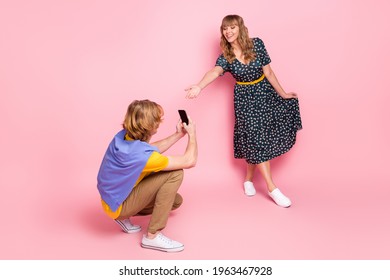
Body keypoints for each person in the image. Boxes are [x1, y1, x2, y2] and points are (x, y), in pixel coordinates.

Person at [185, 15, 302, 207]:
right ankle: (273, 189)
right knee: (255, 138)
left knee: (258, 139)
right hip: (244, 99)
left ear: (240, 28)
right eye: (225, 28)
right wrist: (199, 86)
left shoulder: (257, 44)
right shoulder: (226, 56)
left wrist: (283, 93)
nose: (228, 31)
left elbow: (269, 72)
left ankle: (248, 178)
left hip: (265, 94)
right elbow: (214, 72)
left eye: (232, 27)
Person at [97, 99, 197, 252]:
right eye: (157, 121)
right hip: (119, 206)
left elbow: (149, 149)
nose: (159, 123)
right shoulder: (143, 157)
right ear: (151, 127)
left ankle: (122, 218)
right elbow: (189, 161)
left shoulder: (123, 136)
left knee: (175, 201)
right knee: (175, 173)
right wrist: (192, 134)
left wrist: (178, 135)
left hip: (110, 199)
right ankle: (153, 236)